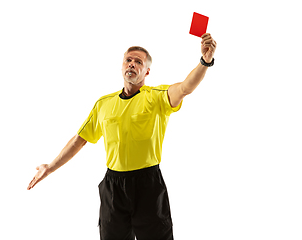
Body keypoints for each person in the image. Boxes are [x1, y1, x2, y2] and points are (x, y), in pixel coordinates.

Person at [27, 33, 217, 240]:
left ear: (147, 71)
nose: (132, 64)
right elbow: (79, 140)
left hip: (148, 185)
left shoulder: (156, 97)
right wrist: (50, 167)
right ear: (121, 66)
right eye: (128, 60)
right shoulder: (103, 104)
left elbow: (185, 87)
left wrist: (204, 62)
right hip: (114, 187)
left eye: (138, 62)